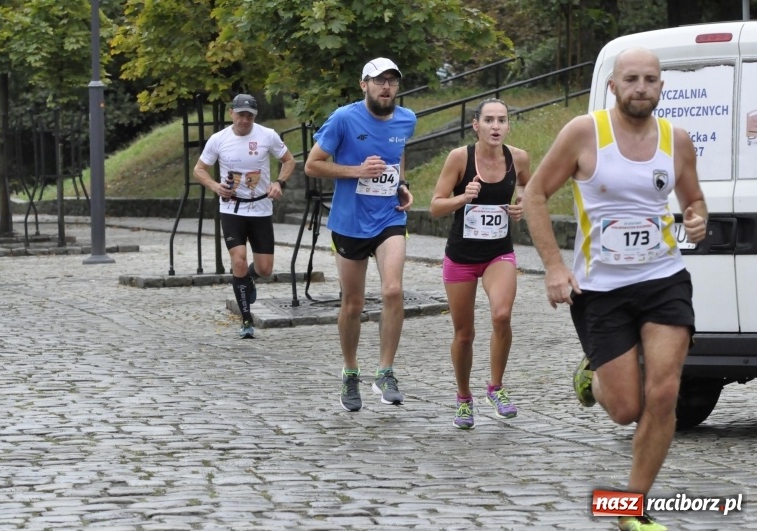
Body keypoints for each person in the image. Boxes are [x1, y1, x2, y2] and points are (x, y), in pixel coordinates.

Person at [523, 48, 707, 531]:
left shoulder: (677, 140)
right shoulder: (585, 134)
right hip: (600, 288)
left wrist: (697, 218)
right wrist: (554, 267)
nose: (641, 87)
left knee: (664, 393)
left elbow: (694, 199)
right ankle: (594, 374)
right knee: (626, 409)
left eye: (650, 79)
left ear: (661, 86)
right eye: (631, 79)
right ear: (613, 85)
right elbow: (536, 194)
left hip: (663, 279)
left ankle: (630, 509)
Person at [304, 57, 417, 412]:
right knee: (352, 304)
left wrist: (402, 184)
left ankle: (385, 371)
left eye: (392, 81)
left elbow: (398, 154)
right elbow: (312, 164)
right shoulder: (343, 118)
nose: (386, 87)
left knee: (393, 290)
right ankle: (350, 372)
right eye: (378, 80)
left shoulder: (406, 119)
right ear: (363, 84)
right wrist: (357, 170)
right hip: (350, 222)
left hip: (389, 218)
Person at [430, 99, 531, 429]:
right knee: (464, 334)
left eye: (502, 120)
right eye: (489, 120)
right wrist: (463, 198)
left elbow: (528, 188)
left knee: (502, 315)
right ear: (476, 125)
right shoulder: (460, 158)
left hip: (498, 254)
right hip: (460, 257)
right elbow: (435, 207)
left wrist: (520, 205)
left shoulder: (518, 158)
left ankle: (496, 387)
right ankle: (463, 398)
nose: (496, 126)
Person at [194, 93, 296, 339]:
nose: (244, 120)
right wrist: (215, 186)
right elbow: (199, 169)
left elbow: (289, 160)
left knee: (264, 269)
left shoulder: (267, 135)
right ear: (232, 113)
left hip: (260, 208)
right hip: (231, 209)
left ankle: (246, 279)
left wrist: (279, 182)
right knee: (238, 259)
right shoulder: (219, 139)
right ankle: (246, 319)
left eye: (249, 115)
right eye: (240, 114)